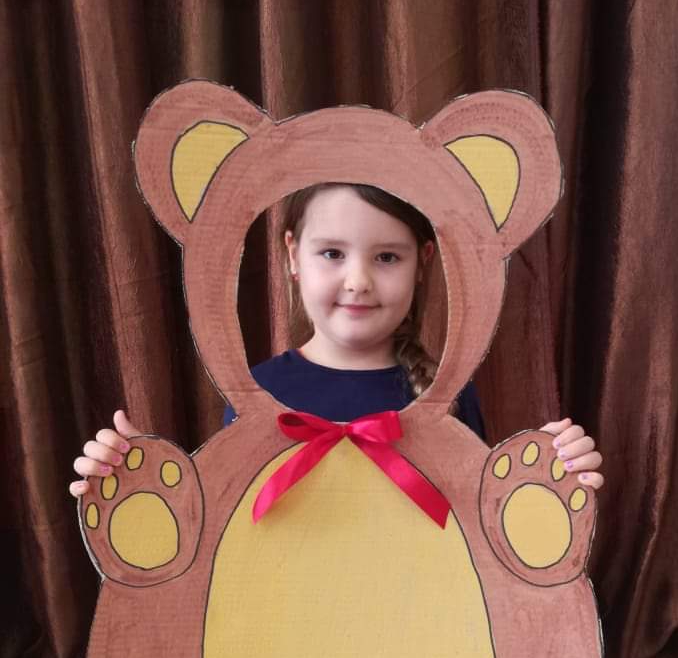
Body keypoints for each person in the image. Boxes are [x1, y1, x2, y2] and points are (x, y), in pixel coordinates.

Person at [69, 183, 604, 495]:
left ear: (423, 263)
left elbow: (482, 524)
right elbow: (228, 524)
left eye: (387, 257)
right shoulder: (257, 391)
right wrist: (135, 480)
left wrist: (551, 472)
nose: (358, 280)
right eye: (332, 253)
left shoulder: (448, 394)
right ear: (292, 255)